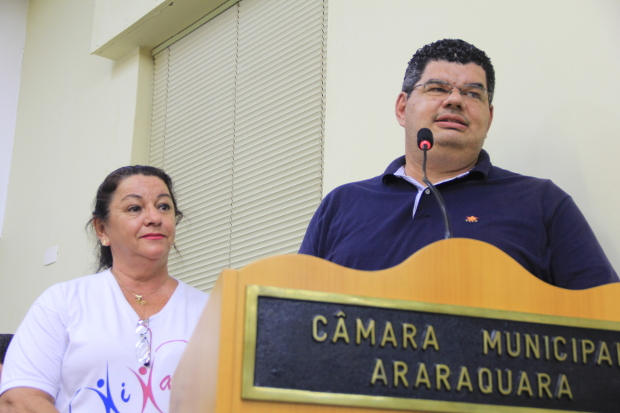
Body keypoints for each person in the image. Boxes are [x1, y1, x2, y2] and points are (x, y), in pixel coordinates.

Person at [299, 39, 618, 289]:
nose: (454, 100)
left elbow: (602, 322)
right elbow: (294, 319)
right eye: (437, 88)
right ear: (402, 107)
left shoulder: (542, 203)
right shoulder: (341, 205)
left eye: (472, 93)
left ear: (489, 118)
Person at [0, 166, 209, 413]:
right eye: (135, 208)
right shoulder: (62, 302)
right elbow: (19, 400)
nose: (154, 217)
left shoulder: (212, 311)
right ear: (102, 230)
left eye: (164, 206)